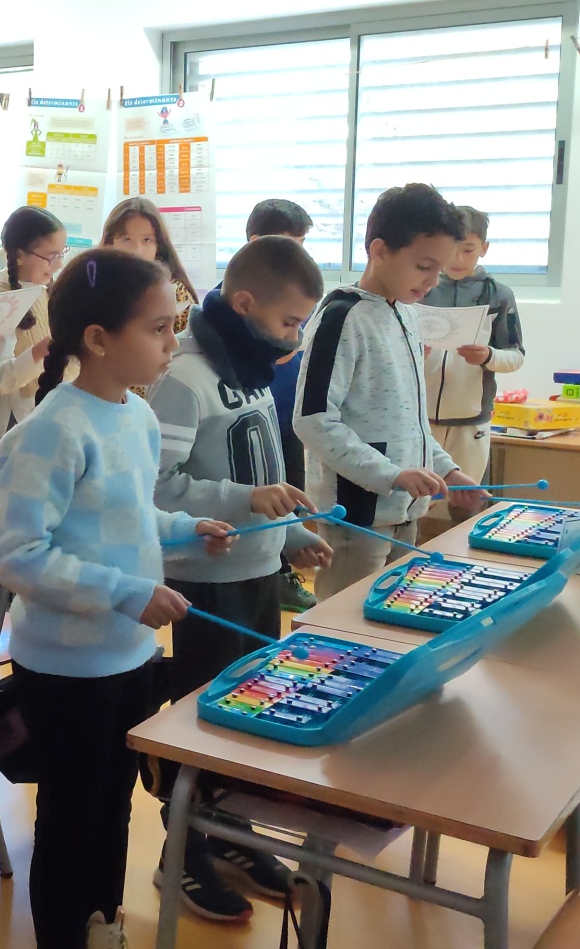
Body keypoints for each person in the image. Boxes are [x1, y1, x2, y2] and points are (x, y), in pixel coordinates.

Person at [0, 246, 234, 949]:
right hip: (67, 668)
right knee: (70, 821)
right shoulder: (52, 431)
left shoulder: (136, 416)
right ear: (98, 339)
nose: (172, 344)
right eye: (158, 329)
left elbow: (128, 514)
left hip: (129, 653)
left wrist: (185, 528)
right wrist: (126, 592)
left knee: (114, 806)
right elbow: (17, 555)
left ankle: (102, 924)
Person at [145, 234, 334, 922]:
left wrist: (289, 534)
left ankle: (229, 833)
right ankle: (182, 851)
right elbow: (158, 489)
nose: (294, 337)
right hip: (205, 580)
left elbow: (263, 474)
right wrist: (245, 502)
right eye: (289, 322)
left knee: (247, 714)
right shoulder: (183, 377)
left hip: (256, 572)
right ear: (247, 304)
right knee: (201, 723)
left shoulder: (249, 367)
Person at [295, 184, 485, 599]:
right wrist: (392, 474)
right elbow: (312, 420)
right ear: (379, 250)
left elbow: (410, 421)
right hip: (357, 514)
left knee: (391, 617)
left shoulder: (407, 315)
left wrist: (447, 471)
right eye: (424, 266)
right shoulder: (342, 317)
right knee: (341, 623)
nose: (432, 281)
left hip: (404, 508)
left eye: (439, 269)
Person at [424, 205, 524, 525]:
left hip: (471, 421)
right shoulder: (421, 287)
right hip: (419, 419)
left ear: (484, 248)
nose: (457, 259)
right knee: (416, 505)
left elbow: (516, 356)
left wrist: (488, 357)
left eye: (467, 249)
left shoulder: (498, 294)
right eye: (451, 249)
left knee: (465, 506)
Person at [244, 198, 318, 611]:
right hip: (252, 420)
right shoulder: (236, 300)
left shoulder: (297, 295)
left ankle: (284, 572)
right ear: (257, 243)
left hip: (288, 417)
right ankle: (269, 573)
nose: (297, 257)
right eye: (289, 245)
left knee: (291, 493)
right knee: (261, 498)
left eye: (302, 246)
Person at [0, 206, 67, 447]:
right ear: (19, 255)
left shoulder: (44, 291)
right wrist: (41, 351)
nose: (58, 265)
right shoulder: (1, 302)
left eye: (61, 254)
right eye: (51, 257)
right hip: (20, 420)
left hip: (54, 414)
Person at [101, 196, 199, 337]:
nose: (137, 250)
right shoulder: (95, 286)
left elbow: (184, 344)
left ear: (158, 246)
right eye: (126, 239)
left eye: (147, 240)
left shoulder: (174, 293)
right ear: (110, 243)